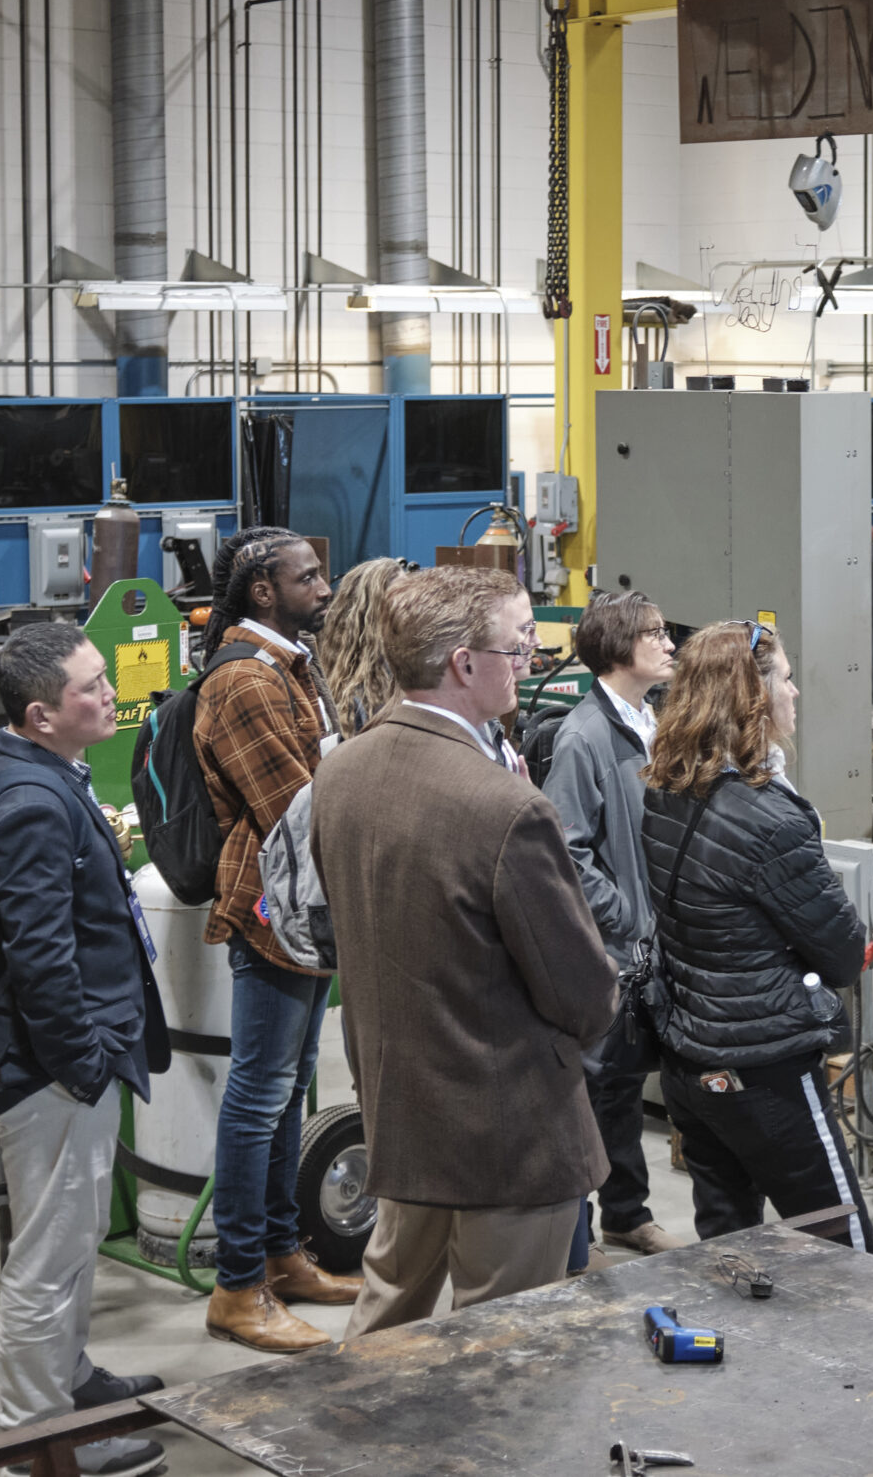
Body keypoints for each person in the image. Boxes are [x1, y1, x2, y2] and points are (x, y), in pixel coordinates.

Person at [311, 566, 619, 1333]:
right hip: (506, 1135)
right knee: (500, 1352)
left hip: (402, 1113)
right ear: (464, 663)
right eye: (518, 645)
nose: (528, 661)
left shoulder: (340, 772)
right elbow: (584, 992)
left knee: (388, 1325)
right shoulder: (505, 807)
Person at [0, 621, 172, 1477]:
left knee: (72, 1238)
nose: (111, 694)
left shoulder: (37, 772)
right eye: (91, 687)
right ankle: (36, 1440)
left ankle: (72, 1380)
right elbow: (39, 959)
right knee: (47, 1259)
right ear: (41, 714)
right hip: (50, 1068)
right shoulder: (30, 805)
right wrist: (82, 1063)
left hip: (67, 1059)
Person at [642, 620, 873, 1252]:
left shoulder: (665, 790)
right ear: (754, 698)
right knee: (848, 1256)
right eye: (787, 680)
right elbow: (842, 954)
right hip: (764, 1068)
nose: (796, 693)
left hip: (690, 1060)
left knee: (729, 1250)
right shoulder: (773, 820)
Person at [192, 527, 359, 1352]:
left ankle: (283, 1253)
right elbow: (297, 809)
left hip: (305, 907)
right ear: (264, 590)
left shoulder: (289, 664)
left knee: (289, 1089)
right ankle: (237, 1285)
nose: (324, 587)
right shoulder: (245, 681)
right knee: (259, 1095)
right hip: (271, 909)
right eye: (309, 577)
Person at [544, 590, 683, 1258]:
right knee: (607, 1086)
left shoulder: (651, 720)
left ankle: (626, 1214)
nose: (669, 643)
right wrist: (626, 917)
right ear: (621, 646)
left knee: (629, 1084)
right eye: (655, 633)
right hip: (619, 951)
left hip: (661, 943)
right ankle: (599, 1221)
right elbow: (565, 850)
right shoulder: (584, 737)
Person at [313, 556, 416, 731]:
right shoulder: (354, 701)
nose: (411, 608)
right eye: (401, 598)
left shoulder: (412, 671)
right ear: (372, 614)